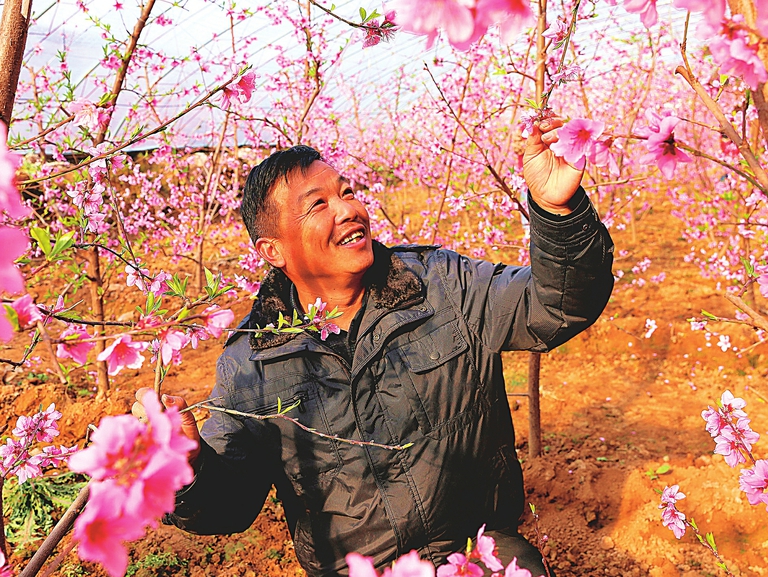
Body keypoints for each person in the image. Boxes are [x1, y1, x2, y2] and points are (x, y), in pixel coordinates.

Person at [133, 117, 615, 577]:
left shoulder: (442, 284)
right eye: (317, 205)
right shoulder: (254, 361)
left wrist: (557, 211)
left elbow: (556, 308)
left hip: (476, 551)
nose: (348, 210)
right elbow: (229, 506)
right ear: (273, 251)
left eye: (346, 192)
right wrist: (188, 465)